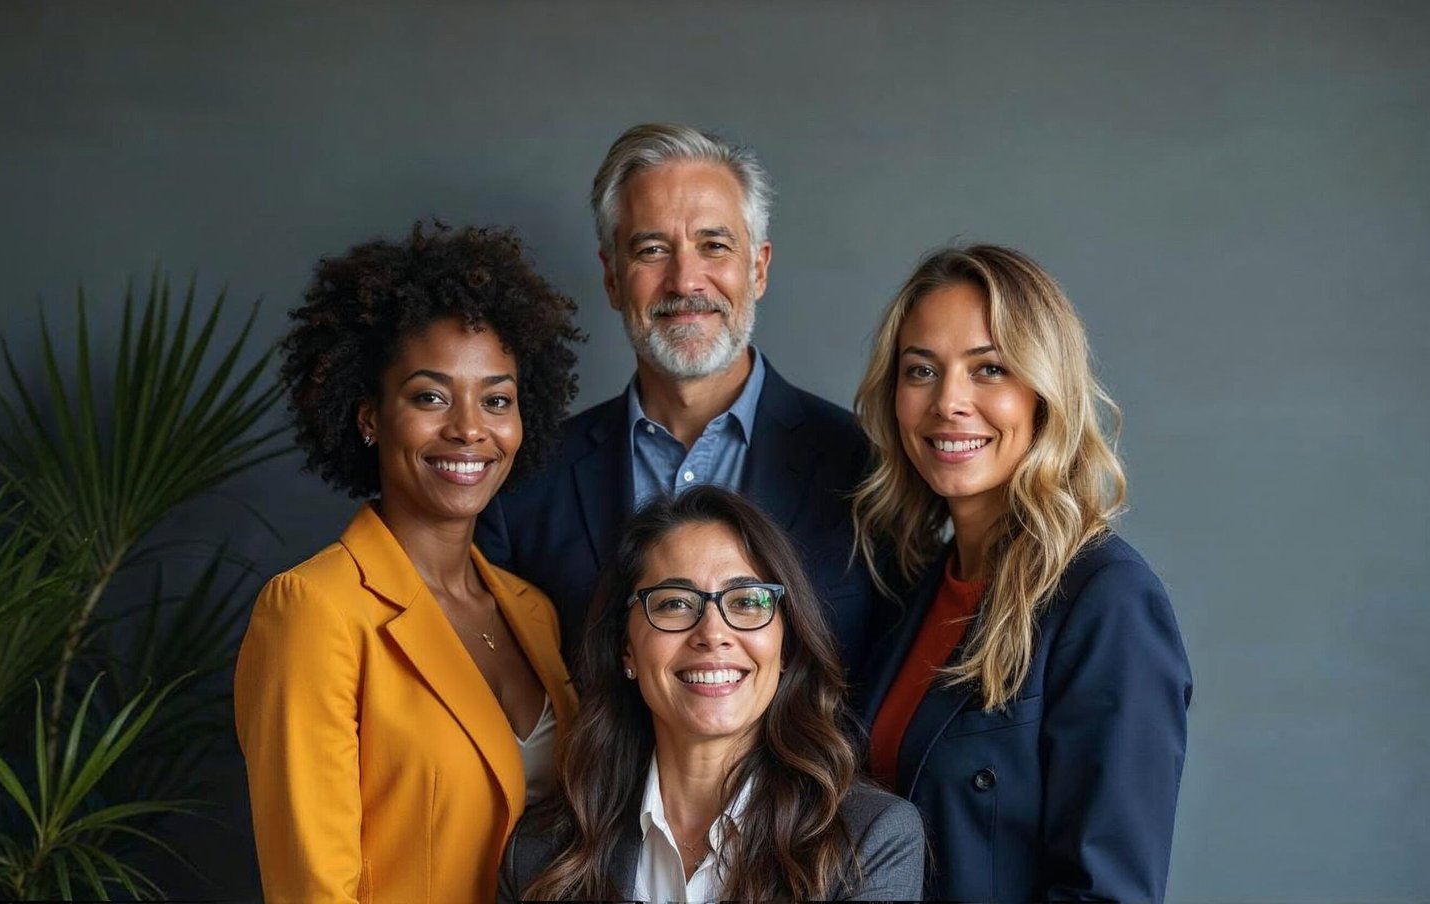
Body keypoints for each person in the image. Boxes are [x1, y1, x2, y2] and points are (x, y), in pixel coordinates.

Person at [234, 222, 584, 903]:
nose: (469, 428)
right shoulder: (315, 611)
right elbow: (313, 890)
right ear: (370, 417)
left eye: (497, 399)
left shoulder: (531, 611)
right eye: (430, 396)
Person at [475, 123, 878, 678]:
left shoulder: (867, 472)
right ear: (612, 278)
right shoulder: (527, 480)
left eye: (714, 246)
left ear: (758, 268)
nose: (685, 281)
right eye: (652, 250)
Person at [853, 244, 1193, 901]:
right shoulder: (912, 590)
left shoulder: (1108, 602)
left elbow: (1107, 893)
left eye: (989, 369)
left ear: (1044, 393)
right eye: (921, 370)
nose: (949, 401)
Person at [498, 485, 924, 902]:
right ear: (626, 648)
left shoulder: (868, 840)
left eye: (747, 602)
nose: (713, 633)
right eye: (674, 603)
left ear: (785, 646)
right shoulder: (538, 853)